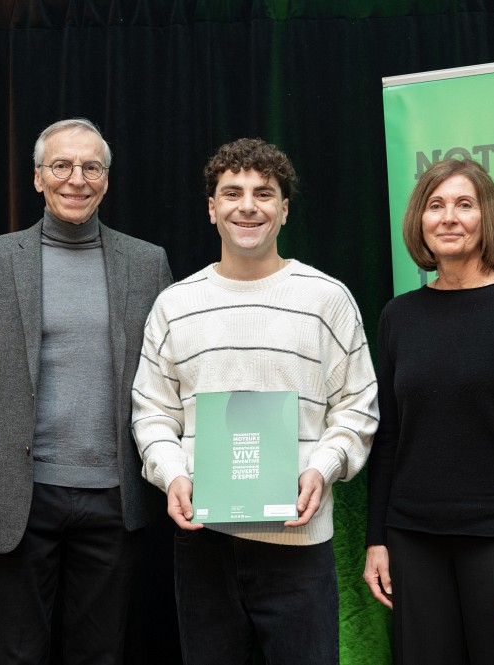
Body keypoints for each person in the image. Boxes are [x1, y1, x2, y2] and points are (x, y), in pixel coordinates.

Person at [0, 117, 173, 664]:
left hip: (116, 495)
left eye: (91, 167)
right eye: (61, 166)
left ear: (107, 180)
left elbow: (168, 380)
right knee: (18, 655)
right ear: (38, 178)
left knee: (101, 655)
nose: (76, 179)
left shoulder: (147, 263)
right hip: (16, 494)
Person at [131, 137, 378, 664]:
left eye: (263, 193)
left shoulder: (326, 299)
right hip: (203, 544)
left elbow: (358, 407)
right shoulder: (175, 305)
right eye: (232, 192)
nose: (248, 205)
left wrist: (324, 467)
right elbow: (152, 412)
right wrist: (173, 474)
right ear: (212, 209)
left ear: (283, 211)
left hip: (299, 544)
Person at [363, 157, 494, 663]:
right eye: (435, 205)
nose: (448, 217)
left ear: (487, 218)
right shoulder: (398, 316)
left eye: (464, 204)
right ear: (420, 220)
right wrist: (376, 541)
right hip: (413, 542)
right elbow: (388, 438)